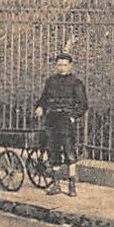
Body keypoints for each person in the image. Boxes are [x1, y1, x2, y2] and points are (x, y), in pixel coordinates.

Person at [33, 52, 89, 196]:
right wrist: (40, 107)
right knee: (53, 151)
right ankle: (56, 184)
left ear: (70, 66)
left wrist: (73, 116)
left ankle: (72, 186)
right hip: (52, 119)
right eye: (59, 65)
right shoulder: (51, 81)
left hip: (66, 119)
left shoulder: (76, 83)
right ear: (56, 66)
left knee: (70, 152)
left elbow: (83, 105)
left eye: (64, 65)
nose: (62, 68)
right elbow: (44, 98)